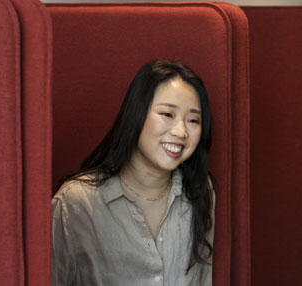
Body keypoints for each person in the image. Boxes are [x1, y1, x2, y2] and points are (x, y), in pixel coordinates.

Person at [51, 60, 215, 286]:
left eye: (193, 120)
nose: (181, 131)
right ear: (136, 114)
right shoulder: (76, 202)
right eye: (167, 114)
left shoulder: (199, 191)